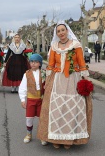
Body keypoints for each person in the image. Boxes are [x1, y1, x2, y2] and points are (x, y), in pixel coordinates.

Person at [37, 21, 92, 149]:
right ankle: (56, 137)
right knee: (56, 108)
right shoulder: (54, 46)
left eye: (63, 30)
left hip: (73, 79)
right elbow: (50, 64)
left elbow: (81, 62)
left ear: (67, 31)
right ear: (56, 34)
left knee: (71, 108)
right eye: (58, 31)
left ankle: (69, 140)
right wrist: (47, 80)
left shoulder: (75, 45)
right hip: (57, 80)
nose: (61, 33)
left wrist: (86, 78)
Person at [18, 53, 47, 145]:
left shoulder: (43, 73)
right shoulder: (27, 74)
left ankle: (43, 135)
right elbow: (22, 87)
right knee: (29, 118)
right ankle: (29, 134)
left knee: (42, 118)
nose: (33, 64)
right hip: (31, 99)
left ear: (40, 63)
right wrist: (23, 99)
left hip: (41, 99)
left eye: (35, 62)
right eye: (31, 62)